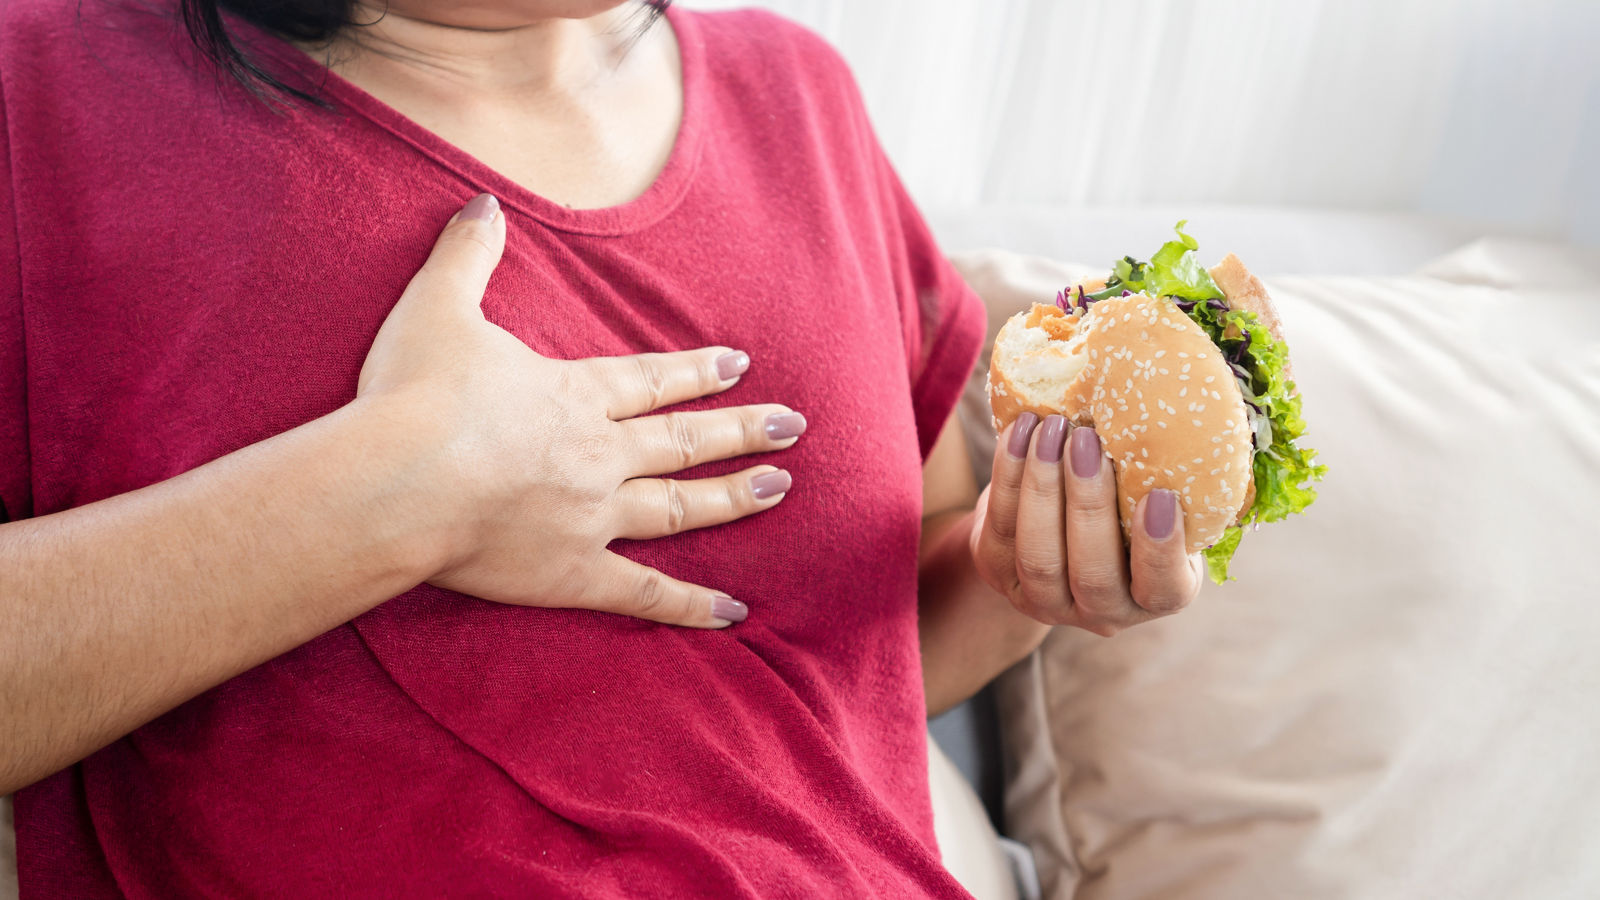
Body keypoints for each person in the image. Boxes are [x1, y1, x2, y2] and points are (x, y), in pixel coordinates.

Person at [0, 0, 1204, 894]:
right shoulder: (40, 84)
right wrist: (393, 497)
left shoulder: (799, 93)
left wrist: (1032, 575)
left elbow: (856, 677)